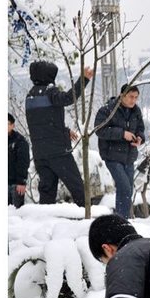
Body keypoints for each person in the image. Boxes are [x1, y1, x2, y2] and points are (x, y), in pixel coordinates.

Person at [25, 60, 93, 206]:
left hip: (40, 154)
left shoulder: (30, 97)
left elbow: (42, 123)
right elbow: (69, 98)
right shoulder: (50, 92)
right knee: (78, 189)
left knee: (47, 193)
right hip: (58, 153)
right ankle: (89, 219)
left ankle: (44, 223)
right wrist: (84, 80)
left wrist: (64, 131)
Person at [95, 84, 145, 219]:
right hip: (112, 155)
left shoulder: (136, 111)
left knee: (127, 189)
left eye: (136, 97)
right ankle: (121, 220)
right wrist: (122, 134)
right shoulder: (108, 110)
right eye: (130, 97)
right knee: (124, 187)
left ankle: (122, 219)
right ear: (122, 95)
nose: (133, 100)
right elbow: (99, 130)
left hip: (129, 156)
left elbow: (141, 128)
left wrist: (140, 138)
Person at [8, 113, 30, 208]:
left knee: (16, 216)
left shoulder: (20, 141)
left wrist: (21, 182)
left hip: (15, 185)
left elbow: (23, 162)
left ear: (12, 125)